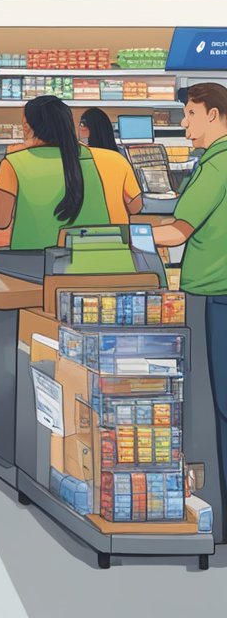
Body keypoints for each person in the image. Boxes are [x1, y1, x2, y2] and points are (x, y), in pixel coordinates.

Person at [153, 83, 227, 511]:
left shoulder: (214, 167)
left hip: (213, 295)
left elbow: (179, 230)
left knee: (216, 408)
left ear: (213, 115)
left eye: (190, 114)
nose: (183, 124)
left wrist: (129, 236)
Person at [0, 96, 113, 249]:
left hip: (36, 261)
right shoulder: (89, 157)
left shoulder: (15, 162)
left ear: (26, 126)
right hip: (91, 257)